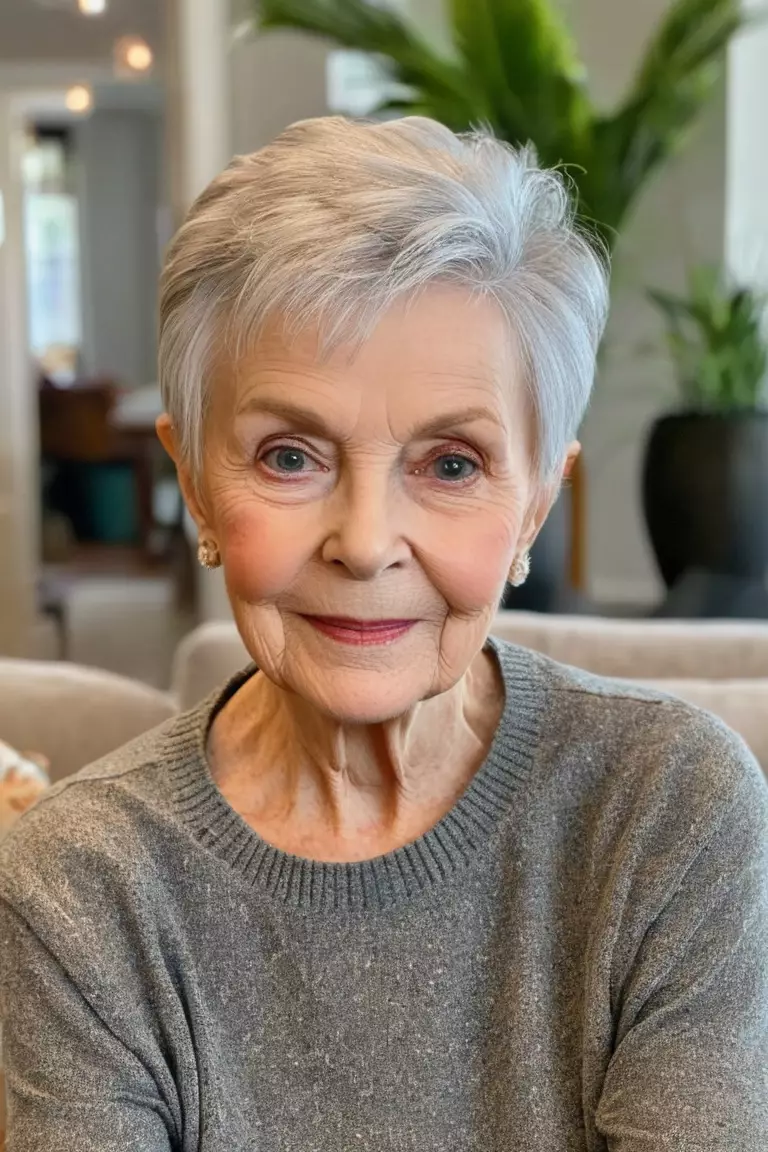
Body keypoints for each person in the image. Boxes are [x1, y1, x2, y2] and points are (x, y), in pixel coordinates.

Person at [1, 116, 766, 1152]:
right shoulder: (79, 884)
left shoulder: (671, 813)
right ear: (195, 487)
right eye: (286, 456)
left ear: (537, 504)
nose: (365, 545)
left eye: (451, 464)